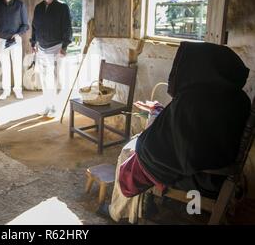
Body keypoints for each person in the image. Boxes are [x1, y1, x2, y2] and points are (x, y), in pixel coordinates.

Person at [107, 41, 251, 223]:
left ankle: (120, 212)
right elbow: (190, 134)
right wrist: (162, 118)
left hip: (202, 177)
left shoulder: (193, 100)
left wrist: (148, 135)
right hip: (219, 168)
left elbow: (173, 149)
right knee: (139, 147)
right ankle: (139, 206)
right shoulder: (238, 98)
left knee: (130, 152)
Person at [31, 0, 72, 117]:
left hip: (56, 47)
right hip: (41, 47)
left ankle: (54, 107)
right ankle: (47, 105)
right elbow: (34, 27)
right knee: (43, 78)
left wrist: (64, 47)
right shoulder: (38, 7)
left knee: (54, 79)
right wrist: (33, 43)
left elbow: (67, 28)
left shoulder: (62, 7)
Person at [0, 0, 29, 100]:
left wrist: (18, 34)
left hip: (15, 39)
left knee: (17, 65)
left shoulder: (20, 5)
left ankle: (18, 90)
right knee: (5, 65)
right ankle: (6, 90)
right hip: (2, 39)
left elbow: (26, 24)